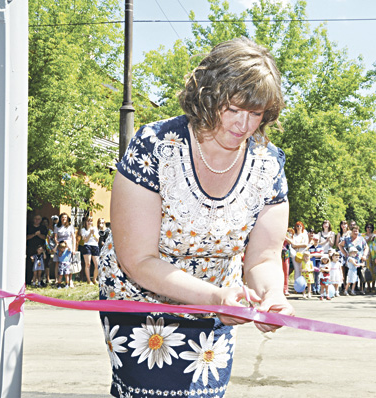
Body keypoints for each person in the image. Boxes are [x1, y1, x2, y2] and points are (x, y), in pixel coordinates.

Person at [97, 38, 293, 397]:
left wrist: (271, 294)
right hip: (142, 299)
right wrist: (215, 298)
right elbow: (138, 259)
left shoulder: (269, 164)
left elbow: (264, 257)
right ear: (208, 96)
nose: (244, 124)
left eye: (256, 113)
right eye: (233, 109)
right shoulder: (154, 146)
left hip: (220, 301)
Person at [26, 214, 47, 284]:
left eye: (39, 219)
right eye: (35, 218)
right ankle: (29, 280)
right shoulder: (29, 227)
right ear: (33, 219)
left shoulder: (43, 228)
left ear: (41, 220)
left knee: (41, 265)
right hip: (30, 247)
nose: (37, 220)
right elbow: (26, 237)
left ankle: (41, 281)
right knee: (29, 264)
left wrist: (39, 235)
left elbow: (45, 237)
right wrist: (34, 234)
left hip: (40, 249)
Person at [80, 217, 100, 284]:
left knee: (97, 264)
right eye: (88, 221)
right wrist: (90, 233)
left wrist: (93, 234)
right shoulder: (83, 230)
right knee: (88, 264)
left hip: (95, 246)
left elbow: (97, 239)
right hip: (87, 246)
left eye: (91, 221)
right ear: (85, 222)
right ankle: (89, 280)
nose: (89, 222)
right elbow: (85, 240)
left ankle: (94, 279)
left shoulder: (95, 228)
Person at [364, 223, 376, 293]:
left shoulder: (375, 236)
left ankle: (373, 286)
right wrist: (369, 238)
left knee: (374, 271)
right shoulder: (363, 235)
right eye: (368, 227)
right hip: (367, 255)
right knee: (368, 270)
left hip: (374, 255)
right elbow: (363, 243)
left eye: (370, 227)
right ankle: (368, 286)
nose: (369, 228)